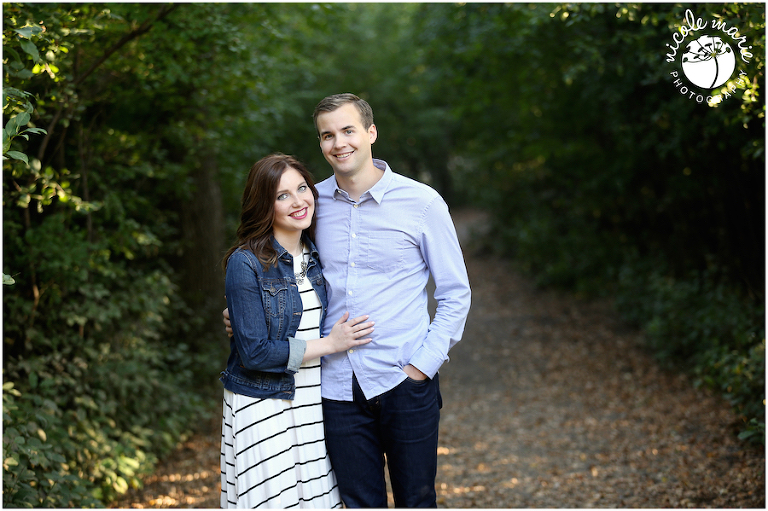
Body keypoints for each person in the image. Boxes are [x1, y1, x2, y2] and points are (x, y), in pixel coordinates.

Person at [225, 94, 471, 507]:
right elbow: (275, 268)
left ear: (371, 133)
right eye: (327, 135)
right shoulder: (311, 204)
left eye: (348, 130)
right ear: (320, 144)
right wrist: (244, 312)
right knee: (356, 503)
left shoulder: (423, 204)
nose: (339, 143)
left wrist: (421, 367)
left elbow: (455, 294)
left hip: (403, 379)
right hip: (335, 388)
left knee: (417, 499)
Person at [219, 153, 375, 509]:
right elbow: (255, 353)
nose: (298, 201)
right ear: (264, 205)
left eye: (302, 188)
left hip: (309, 400)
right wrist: (331, 344)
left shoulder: (314, 254)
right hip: (263, 402)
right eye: (282, 195)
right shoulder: (246, 262)